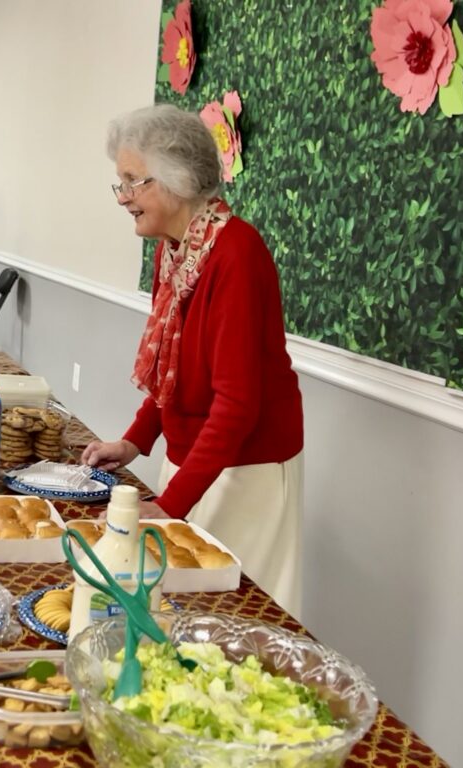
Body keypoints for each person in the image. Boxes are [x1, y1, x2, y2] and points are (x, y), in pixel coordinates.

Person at [82, 104, 305, 616]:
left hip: (246, 470)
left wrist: (170, 506)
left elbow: (236, 404)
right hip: (197, 458)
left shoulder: (237, 254)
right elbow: (173, 370)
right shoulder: (176, 248)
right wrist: (135, 441)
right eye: (121, 183)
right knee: (175, 606)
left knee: (230, 615)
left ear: (176, 179)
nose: (123, 198)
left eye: (132, 182)